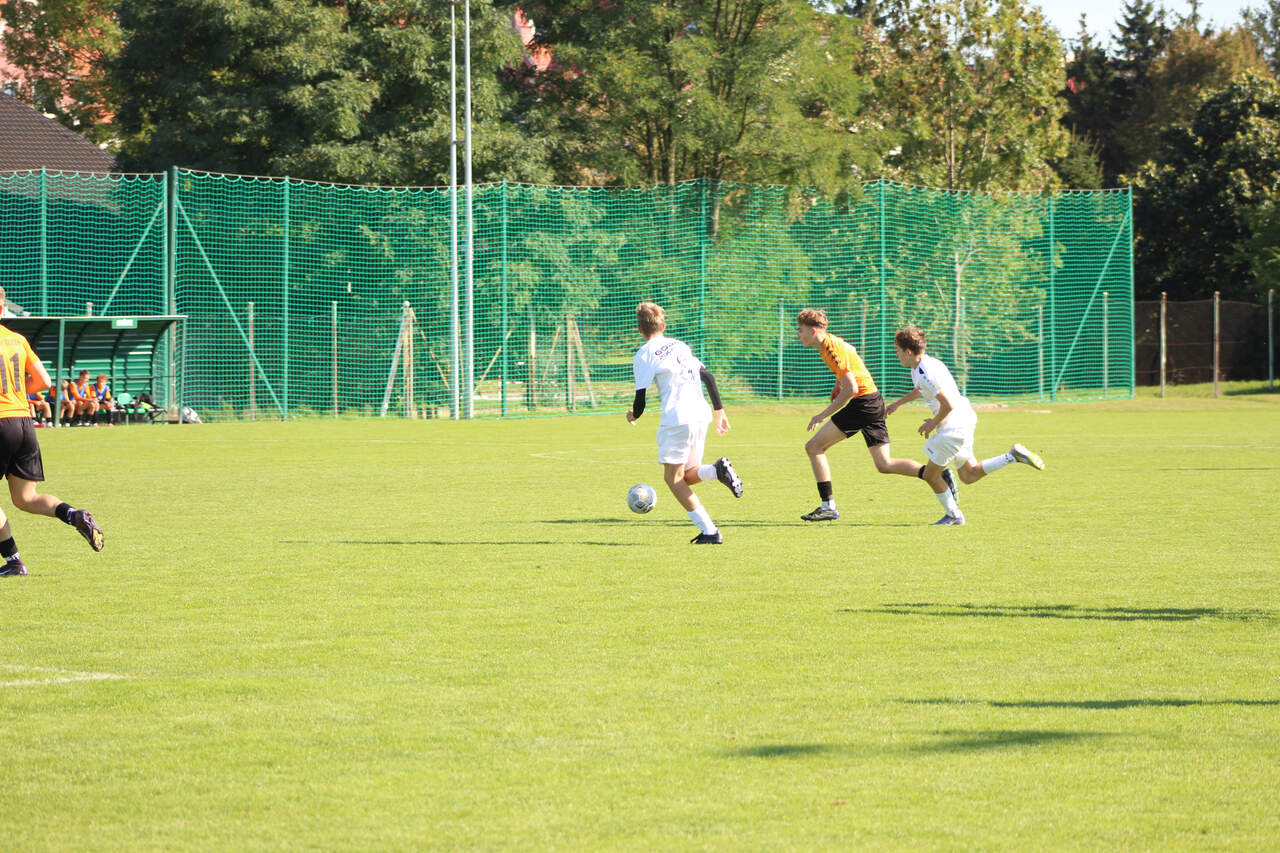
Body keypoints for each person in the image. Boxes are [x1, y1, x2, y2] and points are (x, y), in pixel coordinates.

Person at [884, 325, 1045, 526]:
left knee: (930, 475)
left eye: (898, 350)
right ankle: (1012, 456)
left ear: (908, 351)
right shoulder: (923, 365)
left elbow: (947, 404)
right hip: (963, 418)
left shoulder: (926, 372)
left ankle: (954, 515)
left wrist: (932, 423)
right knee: (969, 475)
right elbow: (922, 390)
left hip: (953, 426)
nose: (897, 355)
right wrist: (898, 403)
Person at [796, 308, 944, 522]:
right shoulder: (831, 343)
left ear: (812, 331)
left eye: (800, 330)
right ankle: (934, 473)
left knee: (814, 447)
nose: (798, 335)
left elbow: (852, 389)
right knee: (884, 464)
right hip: (873, 400)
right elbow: (852, 350)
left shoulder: (831, 348)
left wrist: (822, 415)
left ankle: (828, 506)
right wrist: (838, 382)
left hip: (863, 404)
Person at [0, 288, 105, 576]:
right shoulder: (17, 339)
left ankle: (14, 561)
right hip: (23, 422)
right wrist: (16, 394)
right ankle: (74, 514)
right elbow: (44, 381)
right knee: (26, 498)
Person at [626, 301, 742, 544]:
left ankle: (710, 531)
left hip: (677, 419)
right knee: (687, 476)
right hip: (700, 414)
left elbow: (640, 400)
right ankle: (717, 471)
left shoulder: (644, 354)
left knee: (673, 479)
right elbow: (707, 375)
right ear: (663, 325)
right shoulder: (680, 346)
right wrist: (719, 411)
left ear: (639, 329)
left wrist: (633, 416)